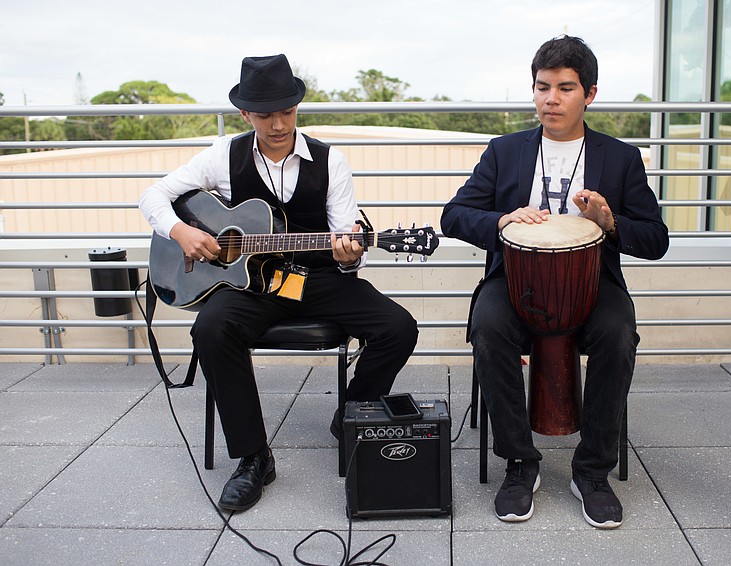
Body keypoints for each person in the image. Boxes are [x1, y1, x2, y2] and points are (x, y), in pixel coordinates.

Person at [139, 54, 418, 512]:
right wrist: (182, 231)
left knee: (398, 327)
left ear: (297, 108)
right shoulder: (222, 157)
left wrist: (350, 257)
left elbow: (344, 235)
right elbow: (154, 195)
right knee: (210, 329)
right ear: (246, 115)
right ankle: (253, 457)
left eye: (286, 112)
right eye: (265, 115)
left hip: (321, 279)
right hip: (251, 286)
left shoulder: (331, 161)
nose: (277, 124)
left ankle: (352, 412)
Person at [441, 36, 668, 528]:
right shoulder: (504, 152)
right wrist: (502, 220)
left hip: (592, 285)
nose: (551, 99)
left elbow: (656, 239)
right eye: (543, 87)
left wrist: (611, 222)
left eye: (565, 88)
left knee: (616, 334)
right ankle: (520, 462)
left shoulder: (621, 158)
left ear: (590, 94)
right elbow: (452, 216)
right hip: (515, 282)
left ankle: (591, 471)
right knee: (489, 327)